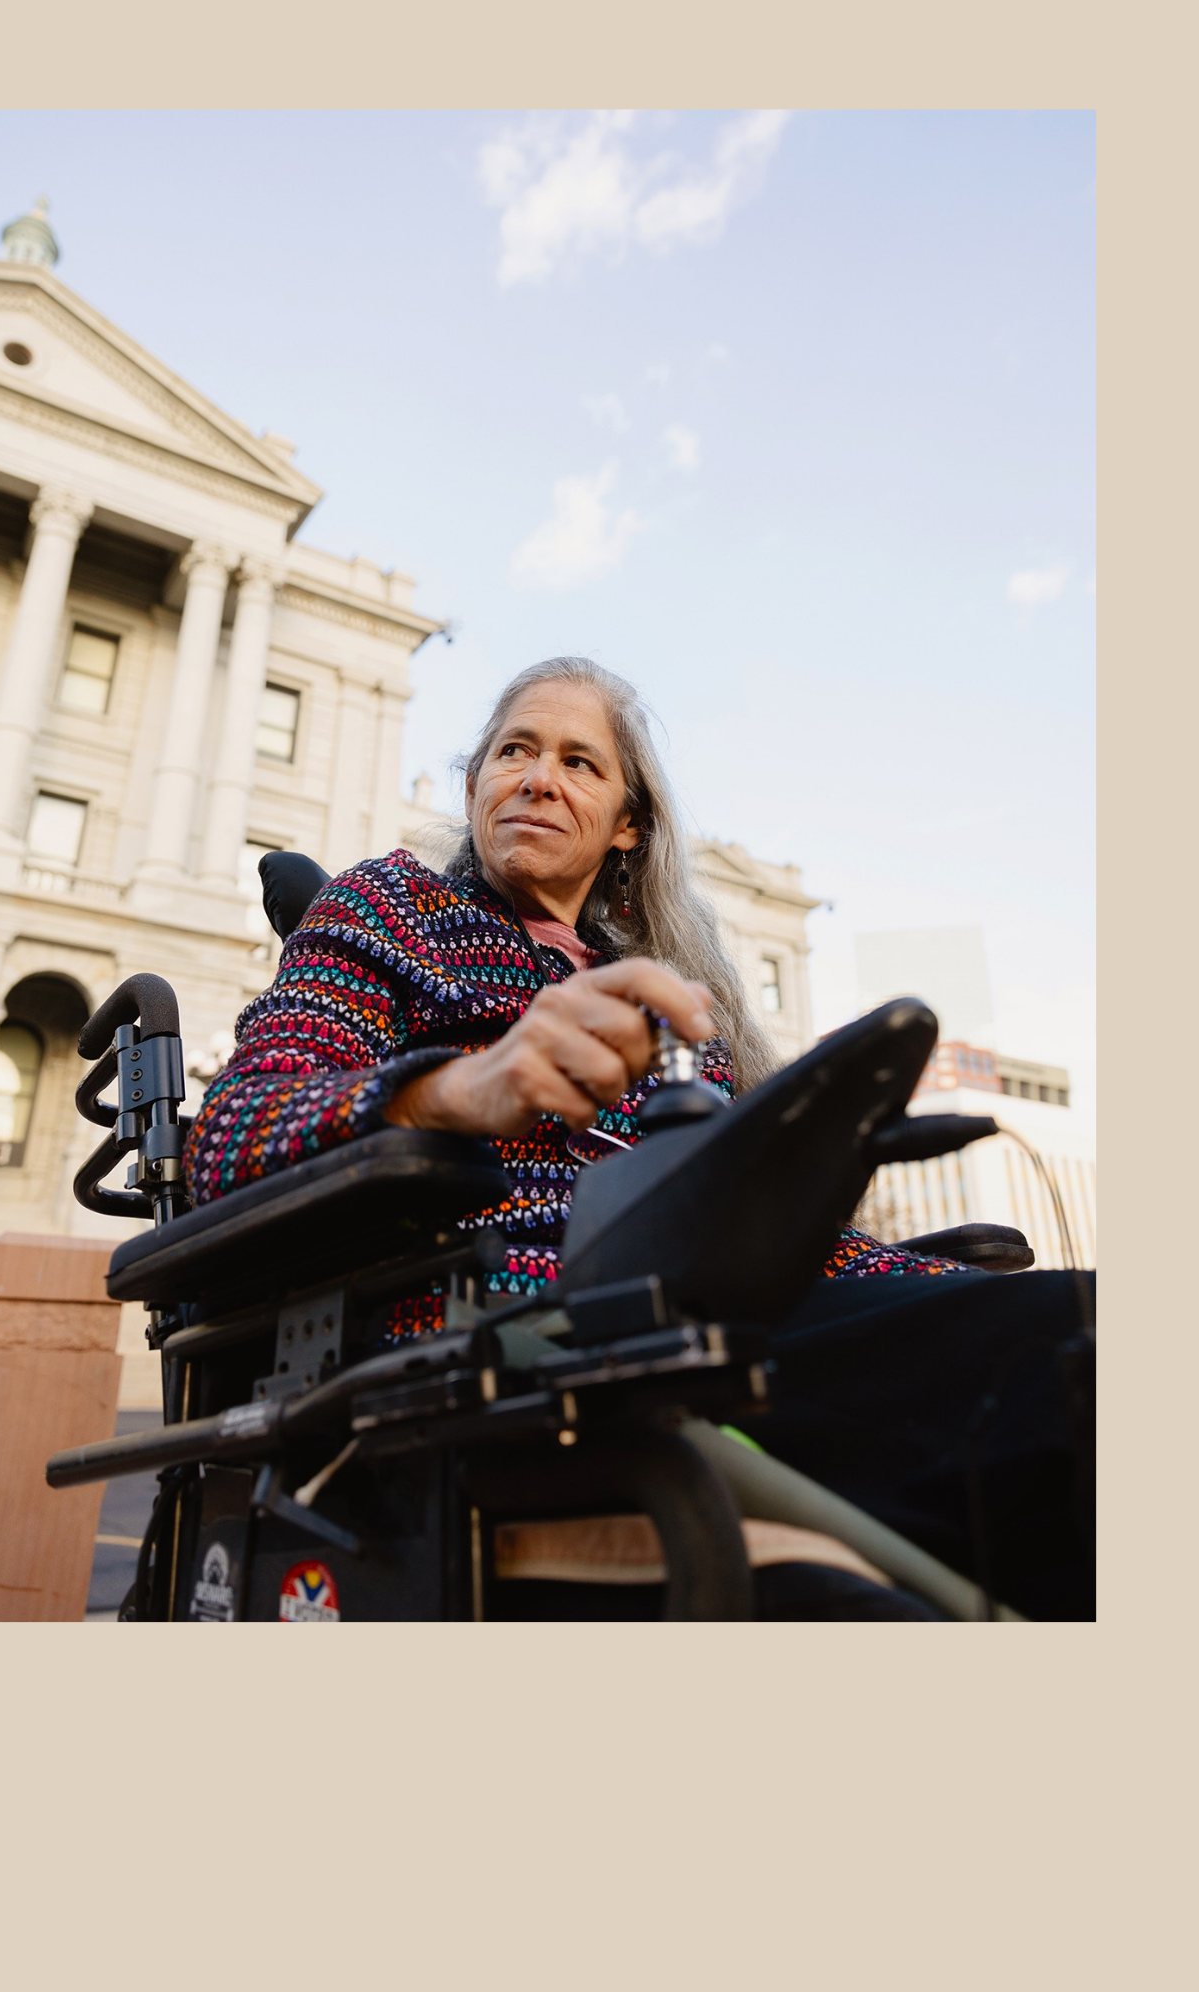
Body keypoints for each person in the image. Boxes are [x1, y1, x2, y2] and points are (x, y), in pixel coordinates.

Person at [184, 657, 1092, 1619]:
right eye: (515, 750)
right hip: (506, 1336)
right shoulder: (390, 909)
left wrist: (936, 1287)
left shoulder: (665, 1000)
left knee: (1072, 1333)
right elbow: (230, 1139)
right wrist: (462, 1086)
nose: (539, 777)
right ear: (475, 783)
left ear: (628, 826)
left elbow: (754, 1221)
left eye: (581, 763)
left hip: (715, 1316)